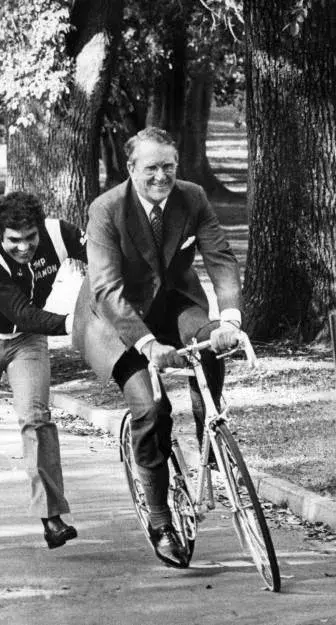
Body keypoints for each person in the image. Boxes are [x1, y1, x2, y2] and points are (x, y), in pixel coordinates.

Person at [73, 127, 242, 568]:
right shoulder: (106, 209)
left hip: (172, 302)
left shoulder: (193, 197)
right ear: (132, 169)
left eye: (168, 166)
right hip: (115, 318)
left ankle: (212, 426)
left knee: (209, 342)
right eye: (151, 168)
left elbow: (220, 257)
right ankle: (161, 517)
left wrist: (229, 319)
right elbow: (108, 289)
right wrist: (147, 344)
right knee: (150, 410)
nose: (161, 176)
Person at [0, 191, 87, 549]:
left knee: (36, 419)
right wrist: (79, 323)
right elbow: (21, 312)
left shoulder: (60, 234)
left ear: (40, 227)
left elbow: (104, 257)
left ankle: (51, 518)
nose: (24, 247)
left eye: (30, 238)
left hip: (28, 340)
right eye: (14, 241)